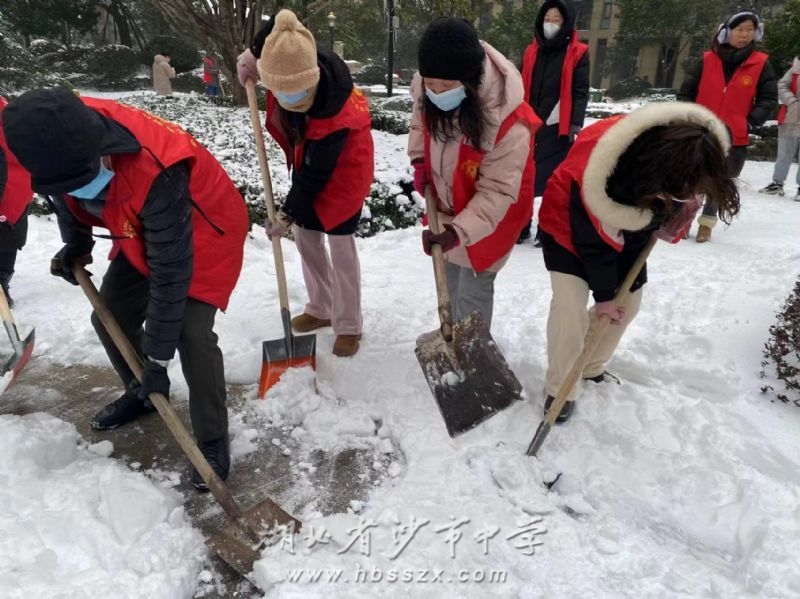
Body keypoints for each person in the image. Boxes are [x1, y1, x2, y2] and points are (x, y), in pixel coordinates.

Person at [1, 89, 249, 490]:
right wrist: (77, 243)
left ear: (97, 148)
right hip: (136, 220)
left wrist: (157, 359)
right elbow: (64, 197)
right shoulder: (51, 133)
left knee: (190, 332)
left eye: (82, 178)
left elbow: (169, 272)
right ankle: (140, 392)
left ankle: (212, 437)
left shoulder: (156, 166)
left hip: (202, 226)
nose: (77, 188)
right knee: (109, 316)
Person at [537, 102, 740, 422]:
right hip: (568, 223)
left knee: (627, 304)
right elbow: (593, 244)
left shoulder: (689, 158)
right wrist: (604, 296)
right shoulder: (607, 168)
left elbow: (643, 229)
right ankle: (560, 386)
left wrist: (670, 214)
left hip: (627, 227)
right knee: (569, 306)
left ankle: (589, 366)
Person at [243, 9, 373, 357]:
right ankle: (321, 306)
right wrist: (251, 58)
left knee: (341, 248)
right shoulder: (292, 57)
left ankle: (349, 324)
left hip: (345, 176)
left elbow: (314, 177)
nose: (289, 100)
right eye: (281, 91)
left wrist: (286, 214)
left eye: (297, 94)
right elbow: (275, 28)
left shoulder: (338, 113)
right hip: (310, 162)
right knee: (307, 237)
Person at [408, 17, 539, 327]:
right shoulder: (426, 87)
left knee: (473, 289)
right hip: (452, 196)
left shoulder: (508, 121)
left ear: (469, 80)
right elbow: (419, 123)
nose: (436, 93)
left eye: (446, 87)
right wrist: (421, 162)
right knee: (450, 276)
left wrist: (457, 231)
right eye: (431, 85)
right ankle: (452, 336)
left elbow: (497, 191)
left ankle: (471, 348)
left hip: (496, 208)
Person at [678, 11, 777, 242]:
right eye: (740, 29)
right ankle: (682, 220)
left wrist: (750, 120)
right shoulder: (707, 59)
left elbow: (768, 99)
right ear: (726, 32)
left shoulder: (760, 63)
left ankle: (706, 223)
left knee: (718, 180)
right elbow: (686, 92)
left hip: (734, 134)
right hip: (700, 131)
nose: (745, 35)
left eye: (750, 30)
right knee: (691, 177)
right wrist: (689, 117)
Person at [518, 0, 590, 246]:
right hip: (528, 123)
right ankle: (522, 226)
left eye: (556, 20)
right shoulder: (531, 51)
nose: (550, 24)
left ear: (566, 23)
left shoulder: (578, 52)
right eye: (547, 19)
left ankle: (546, 229)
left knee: (552, 182)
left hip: (557, 125)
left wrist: (575, 123)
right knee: (524, 178)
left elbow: (580, 91)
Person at [0, 96, 34, 308]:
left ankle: (1, 282)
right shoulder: (10, 110)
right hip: (18, 182)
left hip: (11, 185)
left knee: (6, 234)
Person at [759, 55, 800, 201]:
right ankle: (777, 183)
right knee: (784, 153)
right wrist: (792, 101)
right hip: (791, 115)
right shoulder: (795, 68)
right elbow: (782, 85)